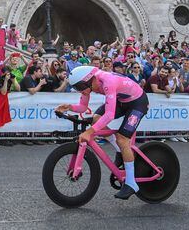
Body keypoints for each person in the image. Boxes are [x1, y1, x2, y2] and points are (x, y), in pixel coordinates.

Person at [56, 66, 149, 200]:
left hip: (138, 103)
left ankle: (131, 183)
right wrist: (69, 107)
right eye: (77, 88)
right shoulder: (87, 84)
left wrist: (89, 132)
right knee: (96, 119)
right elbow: (82, 107)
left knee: (122, 139)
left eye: (80, 87)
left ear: (89, 79)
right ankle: (119, 150)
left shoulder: (107, 81)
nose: (80, 90)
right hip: (121, 100)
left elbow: (110, 115)